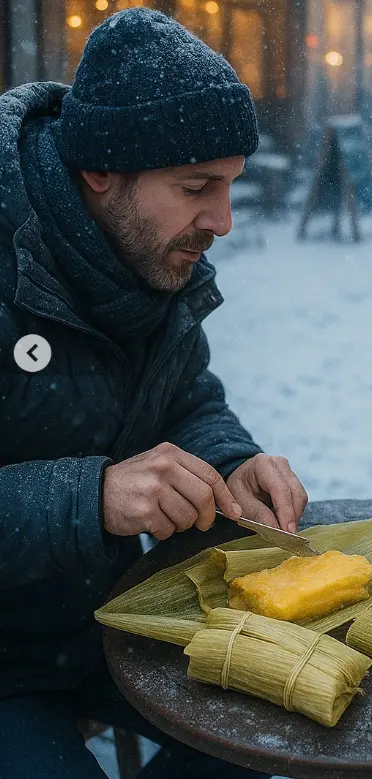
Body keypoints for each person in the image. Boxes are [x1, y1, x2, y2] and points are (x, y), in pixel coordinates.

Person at [0, 9, 307, 777]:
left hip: (117, 620)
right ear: (100, 171)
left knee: (266, 735)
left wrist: (230, 460)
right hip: (6, 662)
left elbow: (185, 397)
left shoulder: (153, 255)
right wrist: (93, 497)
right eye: (198, 186)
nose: (224, 221)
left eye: (230, 185)